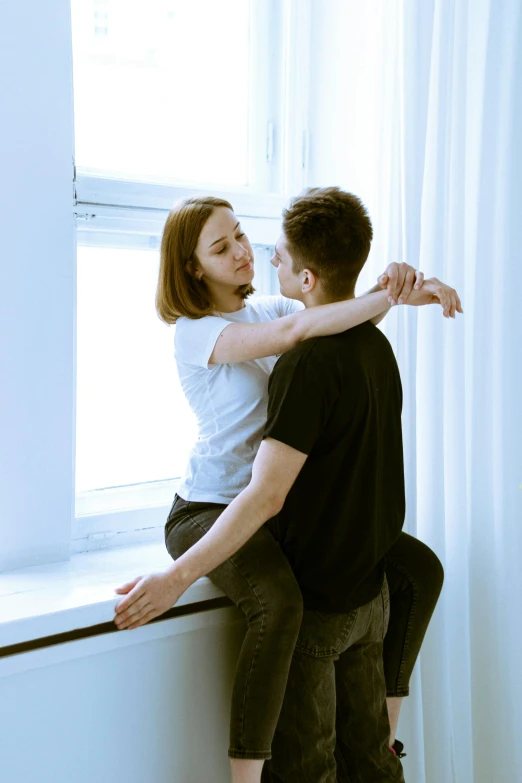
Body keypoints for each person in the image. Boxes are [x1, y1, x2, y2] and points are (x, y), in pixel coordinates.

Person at [113, 192, 461, 783]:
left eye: (242, 235)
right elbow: (304, 327)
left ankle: (386, 729)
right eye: (221, 248)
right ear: (193, 268)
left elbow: (329, 313)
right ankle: (246, 773)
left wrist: (403, 288)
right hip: (210, 505)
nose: (243, 251)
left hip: (264, 504)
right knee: (280, 605)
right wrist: (175, 579)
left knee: (412, 566)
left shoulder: (266, 307)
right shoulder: (195, 333)